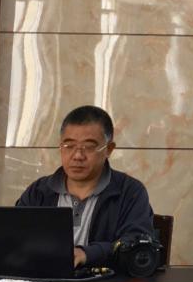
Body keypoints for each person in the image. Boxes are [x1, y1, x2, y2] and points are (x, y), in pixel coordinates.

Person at [17, 105, 155, 269]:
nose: (77, 156)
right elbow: (15, 240)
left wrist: (88, 254)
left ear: (109, 149)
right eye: (69, 146)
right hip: (46, 280)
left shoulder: (130, 192)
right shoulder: (39, 191)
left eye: (89, 147)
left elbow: (136, 244)